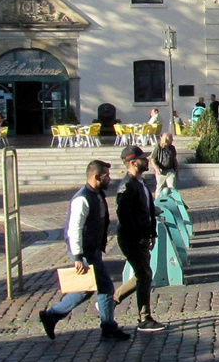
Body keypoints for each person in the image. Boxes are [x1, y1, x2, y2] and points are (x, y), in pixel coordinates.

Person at [39, 160, 132, 342]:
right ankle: (108, 327)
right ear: (96, 177)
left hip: (92, 249)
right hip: (86, 252)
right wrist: (78, 257)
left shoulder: (96, 194)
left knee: (86, 290)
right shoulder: (83, 198)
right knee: (104, 288)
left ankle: (51, 315)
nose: (110, 179)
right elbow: (74, 229)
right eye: (106, 175)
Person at [110, 147, 166, 331]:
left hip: (142, 237)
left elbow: (148, 212)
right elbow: (125, 217)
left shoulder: (140, 182)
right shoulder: (127, 186)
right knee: (144, 274)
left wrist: (152, 235)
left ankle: (111, 301)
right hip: (131, 239)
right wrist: (140, 237)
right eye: (143, 158)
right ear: (133, 163)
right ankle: (144, 318)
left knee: (142, 274)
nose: (147, 160)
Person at [152, 130, 179, 194]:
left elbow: (174, 159)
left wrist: (177, 170)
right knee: (160, 187)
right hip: (161, 171)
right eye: (171, 139)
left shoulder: (172, 148)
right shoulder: (158, 147)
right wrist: (156, 168)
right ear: (167, 139)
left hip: (170, 170)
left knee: (172, 187)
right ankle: (157, 201)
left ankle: (173, 200)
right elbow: (152, 159)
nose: (172, 140)